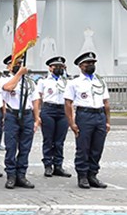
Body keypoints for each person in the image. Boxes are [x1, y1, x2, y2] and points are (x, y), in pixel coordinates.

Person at [65, 51, 111, 189]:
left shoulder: (100, 81)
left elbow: (106, 102)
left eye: (93, 63)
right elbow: (68, 104)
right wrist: (72, 123)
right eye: (88, 63)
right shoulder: (74, 83)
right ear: (80, 66)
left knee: (97, 147)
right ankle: (82, 175)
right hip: (85, 115)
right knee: (83, 147)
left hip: (100, 115)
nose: (91, 65)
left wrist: (108, 121)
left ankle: (93, 175)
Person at [0, 55, 37, 189]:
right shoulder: (5, 79)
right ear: (9, 66)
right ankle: (11, 175)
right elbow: (8, 88)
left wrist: (36, 118)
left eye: (20, 63)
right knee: (11, 146)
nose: (18, 65)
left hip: (27, 115)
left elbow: (35, 100)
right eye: (15, 64)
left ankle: (21, 175)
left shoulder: (29, 82)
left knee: (25, 147)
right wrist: (19, 74)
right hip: (12, 115)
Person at [36, 56, 72, 178]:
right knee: (48, 139)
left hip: (62, 111)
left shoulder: (66, 81)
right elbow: (38, 97)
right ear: (50, 68)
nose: (58, 68)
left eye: (61, 66)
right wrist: (39, 114)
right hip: (49, 110)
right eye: (55, 66)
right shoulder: (43, 81)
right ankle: (47, 165)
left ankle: (58, 165)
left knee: (59, 141)